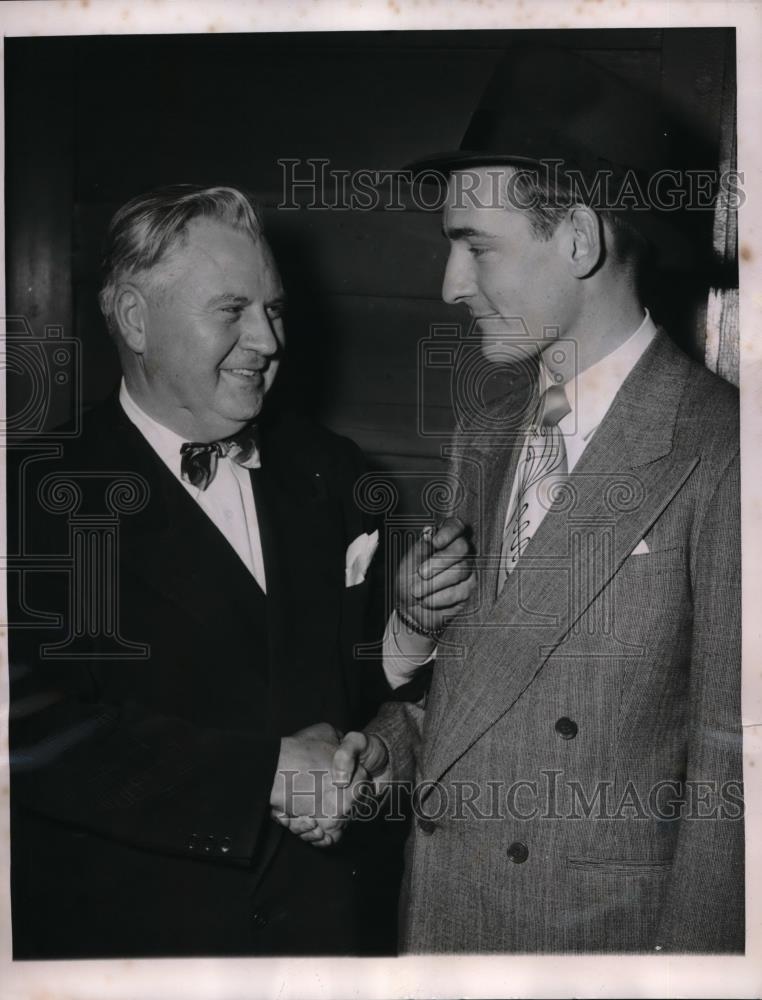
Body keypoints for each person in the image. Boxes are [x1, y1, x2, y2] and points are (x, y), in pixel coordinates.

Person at [309, 47, 744, 953]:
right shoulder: (488, 426)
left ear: (579, 239)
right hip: (438, 925)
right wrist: (383, 747)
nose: (449, 286)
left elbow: (729, 774)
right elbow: (471, 704)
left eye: (475, 247)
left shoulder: (722, 448)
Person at [7, 184, 474, 957]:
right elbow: (27, 732)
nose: (267, 339)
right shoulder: (37, 493)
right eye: (232, 310)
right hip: (136, 950)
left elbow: (347, 686)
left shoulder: (333, 469)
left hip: (324, 939)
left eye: (276, 309)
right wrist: (259, 774)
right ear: (134, 318)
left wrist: (410, 626)